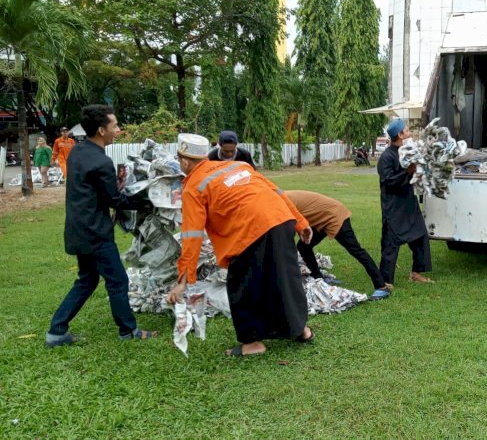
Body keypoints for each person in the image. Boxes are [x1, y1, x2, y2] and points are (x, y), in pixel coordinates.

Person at [166, 134, 314, 357]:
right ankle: (301, 330)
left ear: (185, 161)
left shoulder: (194, 187)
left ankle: (253, 343)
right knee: (285, 277)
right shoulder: (237, 166)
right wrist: (301, 223)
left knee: (242, 285)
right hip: (281, 220)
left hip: (250, 231)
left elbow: (192, 235)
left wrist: (183, 281)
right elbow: (277, 191)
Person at [45, 105, 157, 347]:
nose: (118, 130)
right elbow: (113, 200)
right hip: (95, 232)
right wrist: (148, 198)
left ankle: (57, 331)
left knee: (87, 279)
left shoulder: (78, 151)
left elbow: (97, 192)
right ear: (100, 130)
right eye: (114, 126)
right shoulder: (100, 161)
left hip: (78, 227)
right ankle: (128, 331)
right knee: (118, 280)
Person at [286, 190, 392, 300]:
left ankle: (382, 287)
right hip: (321, 217)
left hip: (334, 214)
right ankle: (319, 279)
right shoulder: (279, 199)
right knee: (304, 247)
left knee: (356, 250)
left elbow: (286, 233)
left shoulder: (281, 202)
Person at [377, 118, 433, 292]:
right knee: (390, 244)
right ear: (400, 135)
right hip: (394, 206)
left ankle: (417, 273)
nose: (409, 133)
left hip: (409, 202)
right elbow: (388, 182)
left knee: (420, 236)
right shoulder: (386, 157)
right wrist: (407, 171)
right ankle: (385, 280)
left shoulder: (406, 152)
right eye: (407, 131)